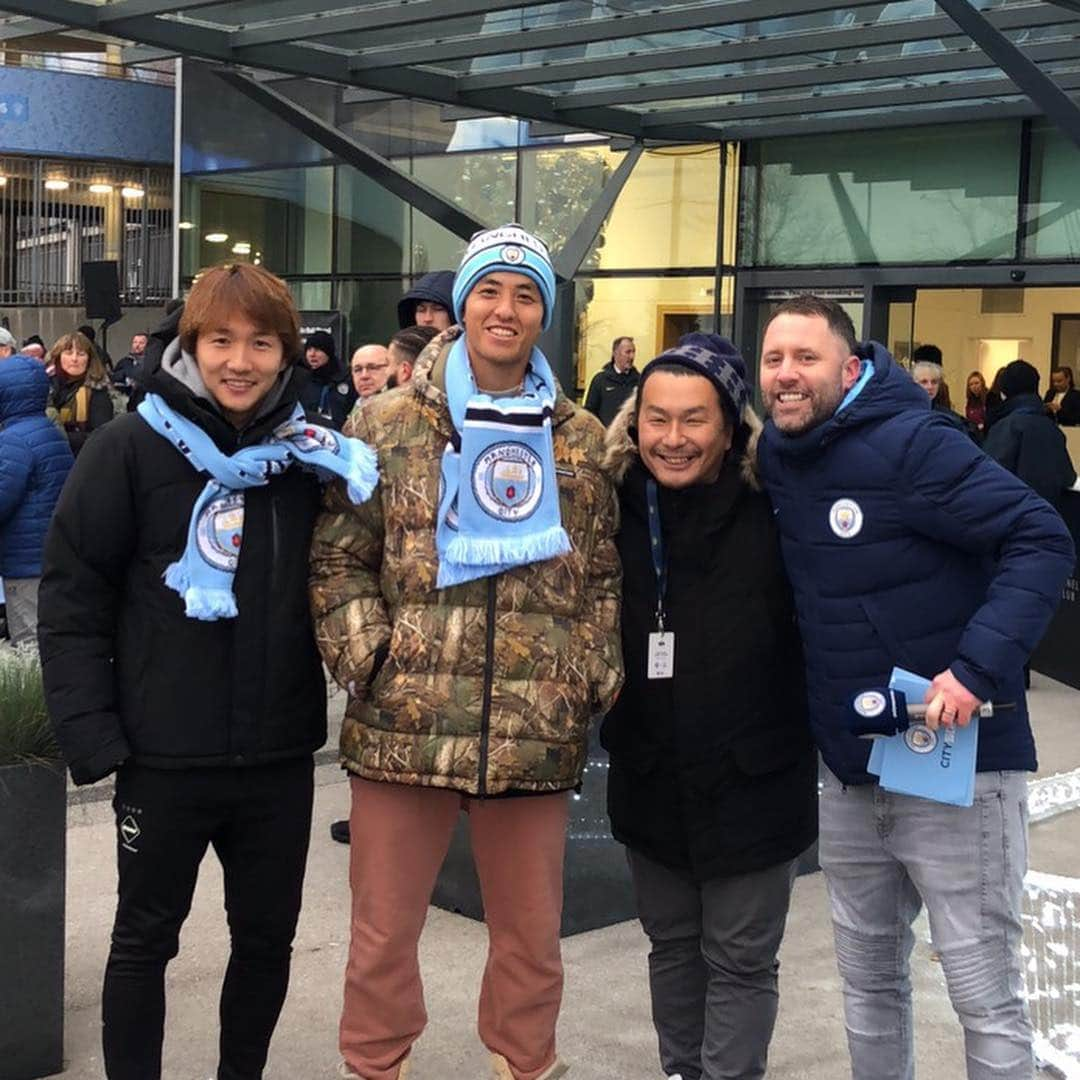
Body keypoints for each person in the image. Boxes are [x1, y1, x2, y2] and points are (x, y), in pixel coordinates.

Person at [37, 262, 377, 1080]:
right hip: (161, 758)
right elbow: (73, 594)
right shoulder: (128, 447)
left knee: (266, 942)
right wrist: (96, 737)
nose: (240, 360)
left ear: (288, 355)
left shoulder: (310, 460)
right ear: (190, 344)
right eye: (220, 339)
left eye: (262, 343)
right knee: (144, 941)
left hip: (276, 758)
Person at [310, 223, 622, 1080]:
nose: (506, 309)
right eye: (491, 290)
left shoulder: (582, 438)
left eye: (526, 295)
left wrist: (590, 670)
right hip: (403, 715)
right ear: (463, 302)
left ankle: (526, 1064)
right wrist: (369, 655)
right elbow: (340, 556)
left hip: (534, 721)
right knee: (381, 931)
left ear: (543, 317)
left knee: (530, 936)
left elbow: (600, 573)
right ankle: (375, 1064)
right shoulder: (384, 421)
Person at [756, 294, 1074, 1080]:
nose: (787, 375)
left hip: (956, 766)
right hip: (853, 769)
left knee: (982, 995)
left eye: (806, 358)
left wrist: (975, 670)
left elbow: (1041, 536)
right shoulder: (777, 455)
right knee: (867, 986)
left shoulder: (913, 445)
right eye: (773, 360)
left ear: (851, 366)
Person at [601, 333, 816, 1080]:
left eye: (694, 420)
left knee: (741, 961)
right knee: (672, 948)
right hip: (651, 774)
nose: (672, 439)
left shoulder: (781, 505)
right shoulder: (612, 505)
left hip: (756, 779)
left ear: (731, 424)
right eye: (656, 419)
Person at [0, 356, 73, 648]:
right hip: (50, 554)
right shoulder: (49, 431)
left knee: (30, 643)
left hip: (24, 559)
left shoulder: (13, 441)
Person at [984, 360, 1078, 511]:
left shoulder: (1005, 427)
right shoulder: (1052, 428)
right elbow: (1068, 477)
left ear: (1005, 391)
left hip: (1013, 516)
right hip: (1048, 517)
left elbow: (989, 478)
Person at [47, 331, 115, 456]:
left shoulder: (98, 389)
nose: (74, 359)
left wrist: (59, 438)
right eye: (68, 353)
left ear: (89, 359)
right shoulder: (44, 385)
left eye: (81, 354)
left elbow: (100, 435)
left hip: (82, 459)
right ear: (58, 356)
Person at [298, 330, 357, 430]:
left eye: (317, 349)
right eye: (309, 349)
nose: (312, 354)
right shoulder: (299, 377)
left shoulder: (346, 378)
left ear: (328, 353)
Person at [584, 335, 639, 426]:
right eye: (628, 352)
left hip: (629, 437)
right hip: (605, 436)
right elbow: (590, 413)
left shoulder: (639, 381)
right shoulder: (600, 380)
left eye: (633, 352)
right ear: (615, 353)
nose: (632, 356)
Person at [110, 332, 149, 399]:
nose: (137, 345)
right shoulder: (125, 362)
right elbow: (114, 378)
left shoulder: (151, 362)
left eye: (141, 343)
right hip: (128, 399)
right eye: (135, 342)